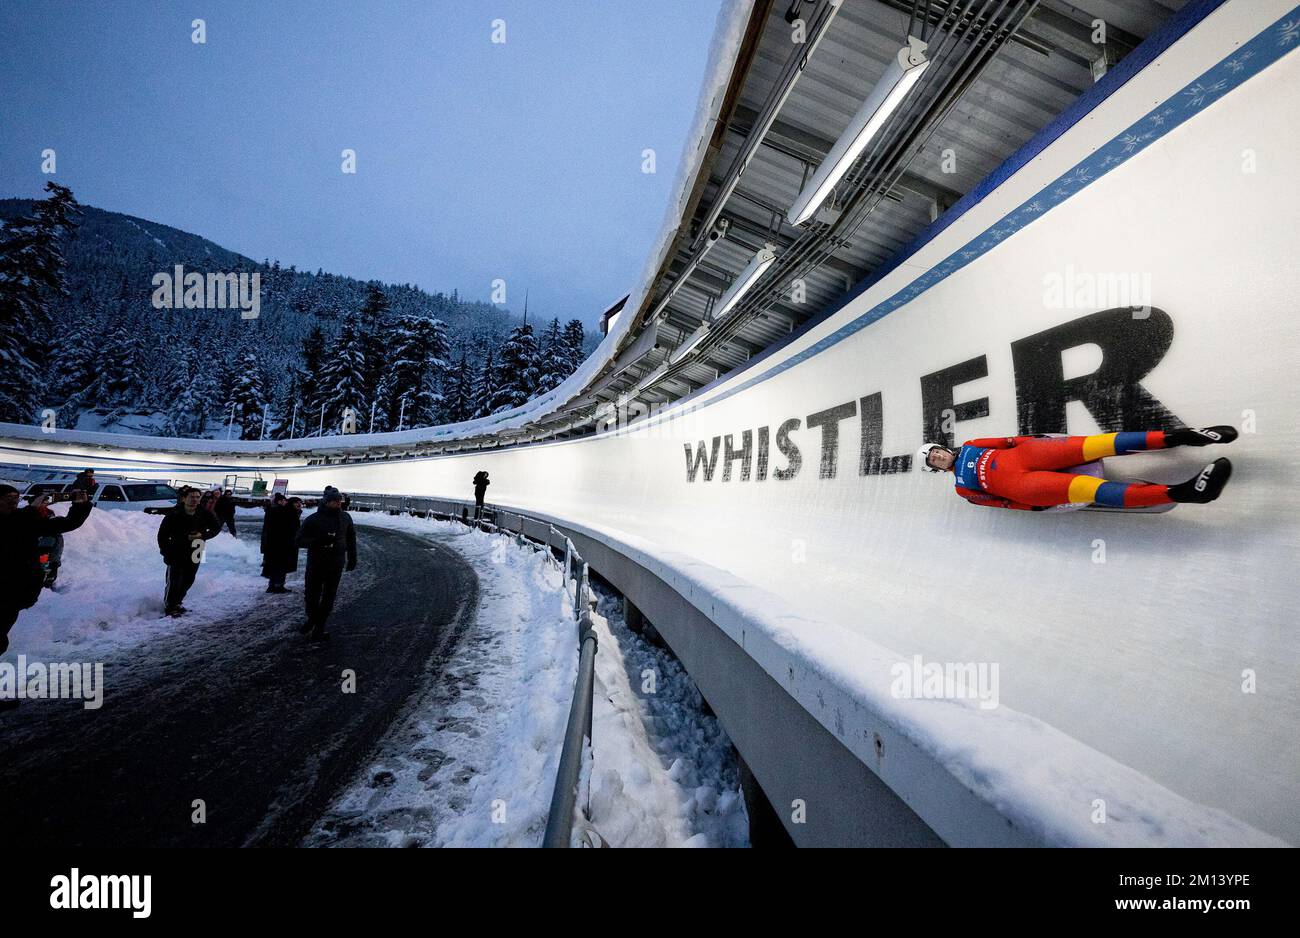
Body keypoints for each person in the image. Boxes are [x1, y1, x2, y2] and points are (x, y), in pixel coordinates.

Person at [916, 426, 1237, 511]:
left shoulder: (973, 443)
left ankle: (1184, 437)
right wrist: (1033, 506)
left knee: (1098, 443)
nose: (938, 458)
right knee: (1087, 489)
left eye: (935, 453)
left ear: (940, 447)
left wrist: (1039, 440)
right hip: (1023, 487)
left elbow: (1009, 441)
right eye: (933, 461)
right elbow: (1002, 503)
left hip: (1030, 455)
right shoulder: (961, 488)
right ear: (936, 469)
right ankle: (1183, 492)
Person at [0, 484, 92, 660]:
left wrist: (80, 506)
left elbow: (66, 524)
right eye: (8, 499)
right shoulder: (21, 520)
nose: (13, 503)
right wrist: (32, 511)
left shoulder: (24, 520)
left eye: (16, 498)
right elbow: (10, 530)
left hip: (15, 592)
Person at [294, 486, 356, 641]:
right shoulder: (313, 519)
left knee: (329, 596)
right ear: (326, 502)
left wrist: (353, 557)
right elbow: (298, 540)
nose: (338, 504)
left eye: (339, 501)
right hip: (316, 563)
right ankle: (313, 619)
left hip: (336, 563)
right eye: (334, 502)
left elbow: (351, 538)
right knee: (311, 596)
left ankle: (319, 628)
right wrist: (317, 541)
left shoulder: (345, 518)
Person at [156, 486, 222, 617]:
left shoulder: (204, 513)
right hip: (177, 549)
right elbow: (162, 536)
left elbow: (216, 527)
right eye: (192, 497)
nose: (195, 500)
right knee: (174, 580)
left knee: (189, 578)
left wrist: (203, 535)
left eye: (198, 497)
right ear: (183, 498)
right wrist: (166, 552)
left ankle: (178, 602)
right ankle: (170, 606)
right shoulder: (174, 514)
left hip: (197, 547)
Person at [260, 493, 301, 594]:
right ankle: (278, 586)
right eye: (297, 503)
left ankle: (272, 585)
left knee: (275, 565)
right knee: (281, 566)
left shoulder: (282, 511)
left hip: (276, 544)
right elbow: (290, 529)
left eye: (300, 503)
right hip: (283, 545)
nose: (299, 505)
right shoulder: (288, 513)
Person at [29, 494, 65, 590]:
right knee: (42, 563)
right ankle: (41, 583)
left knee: (54, 562)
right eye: (43, 502)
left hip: (55, 542)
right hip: (42, 544)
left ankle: (50, 580)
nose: (46, 503)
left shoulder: (50, 512)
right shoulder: (30, 514)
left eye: (46, 501)